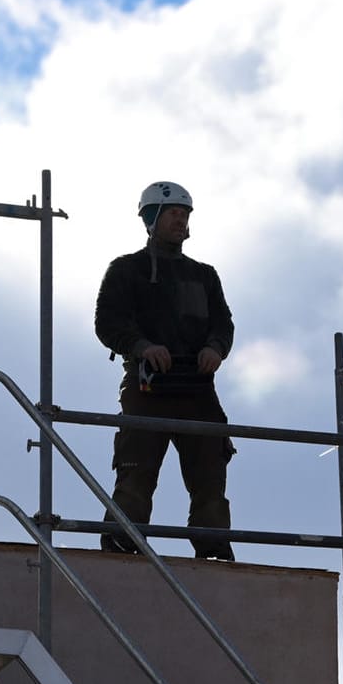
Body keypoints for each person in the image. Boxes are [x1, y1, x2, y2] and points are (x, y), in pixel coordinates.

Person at [93, 181, 238, 560]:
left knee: (209, 473)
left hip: (197, 390)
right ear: (152, 218)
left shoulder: (204, 275)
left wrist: (215, 348)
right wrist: (142, 347)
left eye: (185, 214)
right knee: (136, 470)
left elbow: (223, 324)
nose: (182, 219)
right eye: (174, 213)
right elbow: (108, 322)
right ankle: (124, 539)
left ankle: (213, 547)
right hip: (148, 389)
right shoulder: (127, 270)